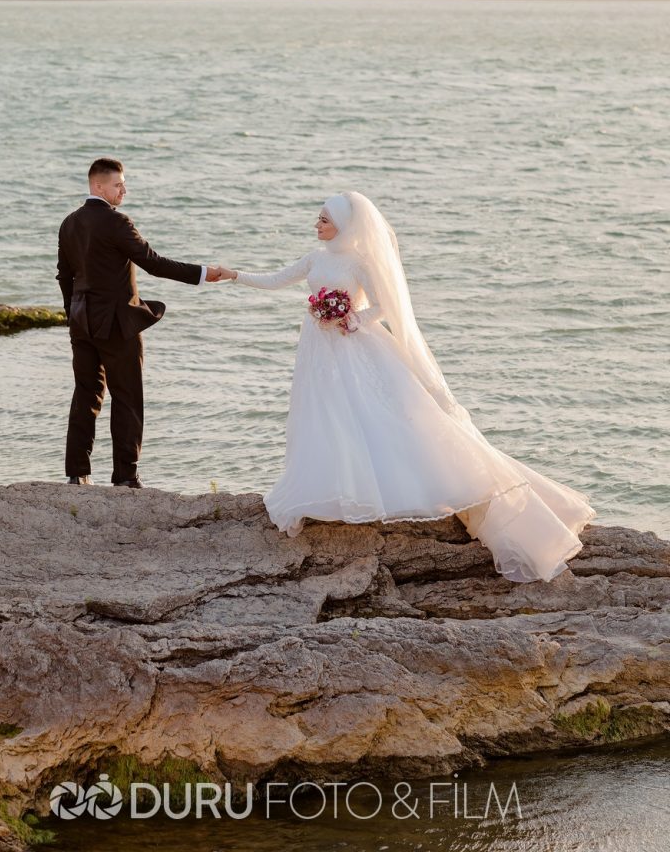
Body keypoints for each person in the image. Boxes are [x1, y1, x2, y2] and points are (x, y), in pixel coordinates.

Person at [222, 191, 596, 583]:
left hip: (353, 346)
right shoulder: (316, 259)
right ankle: (331, 488)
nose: (316, 225)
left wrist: (355, 319)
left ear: (344, 225)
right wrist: (233, 275)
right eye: (318, 219)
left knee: (374, 415)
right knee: (325, 414)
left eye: (323, 220)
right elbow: (277, 279)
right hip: (319, 349)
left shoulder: (360, 263)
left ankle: (384, 488)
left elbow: (387, 304)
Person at [57, 158, 226, 487]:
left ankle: (78, 474)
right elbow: (153, 263)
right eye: (118, 184)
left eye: (123, 184)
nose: (124, 190)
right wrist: (203, 274)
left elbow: (65, 276)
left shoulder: (69, 222)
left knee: (85, 396)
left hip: (82, 323)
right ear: (98, 187)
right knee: (128, 398)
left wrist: (72, 317)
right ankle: (125, 477)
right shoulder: (117, 222)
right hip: (117, 324)